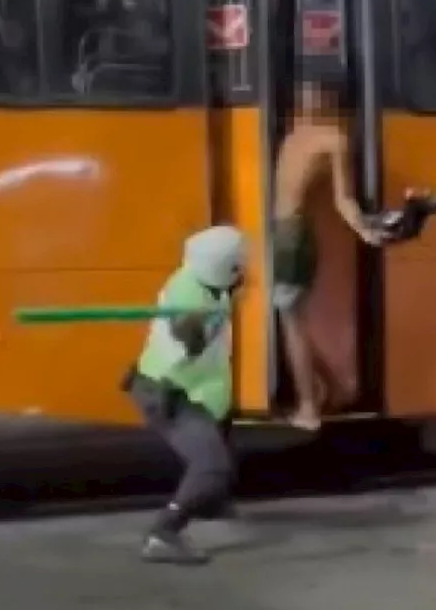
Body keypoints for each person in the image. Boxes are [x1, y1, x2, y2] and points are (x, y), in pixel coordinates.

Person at [126, 225, 247, 565]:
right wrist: (190, 328)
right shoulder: (188, 297)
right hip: (169, 394)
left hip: (196, 391)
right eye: (239, 266)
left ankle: (208, 501)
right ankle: (163, 533)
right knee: (212, 467)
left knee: (220, 430)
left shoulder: (206, 281)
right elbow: (187, 340)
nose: (244, 272)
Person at [272, 81, 384, 432]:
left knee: (291, 321)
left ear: (326, 102)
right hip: (286, 233)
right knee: (290, 318)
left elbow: (343, 199)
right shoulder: (298, 134)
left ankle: (309, 406)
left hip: (292, 236)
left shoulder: (326, 139)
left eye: (312, 95)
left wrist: (363, 229)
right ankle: (328, 390)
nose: (304, 99)